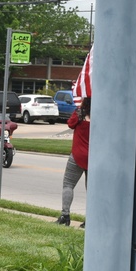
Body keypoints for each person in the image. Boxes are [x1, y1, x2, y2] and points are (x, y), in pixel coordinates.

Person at [57, 96, 91, 227]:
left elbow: (70, 124)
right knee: (92, 190)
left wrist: (79, 110)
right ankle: (90, 219)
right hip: (93, 157)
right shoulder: (101, 115)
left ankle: (65, 215)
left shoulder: (79, 114)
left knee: (68, 185)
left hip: (77, 155)